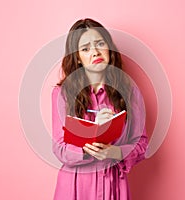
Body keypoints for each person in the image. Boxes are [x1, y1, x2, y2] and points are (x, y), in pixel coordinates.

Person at [51, 18, 147, 200]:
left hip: (114, 185)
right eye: (85, 49)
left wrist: (115, 152)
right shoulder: (62, 93)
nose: (95, 52)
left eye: (100, 44)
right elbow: (60, 148)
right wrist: (89, 144)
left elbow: (142, 144)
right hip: (75, 187)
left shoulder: (130, 91)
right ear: (77, 58)